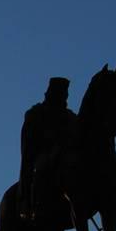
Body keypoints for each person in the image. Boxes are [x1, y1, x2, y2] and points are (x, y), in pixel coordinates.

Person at [19, 76, 77, 222]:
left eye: (65, 94)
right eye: (60, 93)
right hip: (44, 154)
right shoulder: (36, 113)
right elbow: (31, 140)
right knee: (43, 167)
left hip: (67, 155)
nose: (64, 97)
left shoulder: (69, 116)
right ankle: (34, 206)